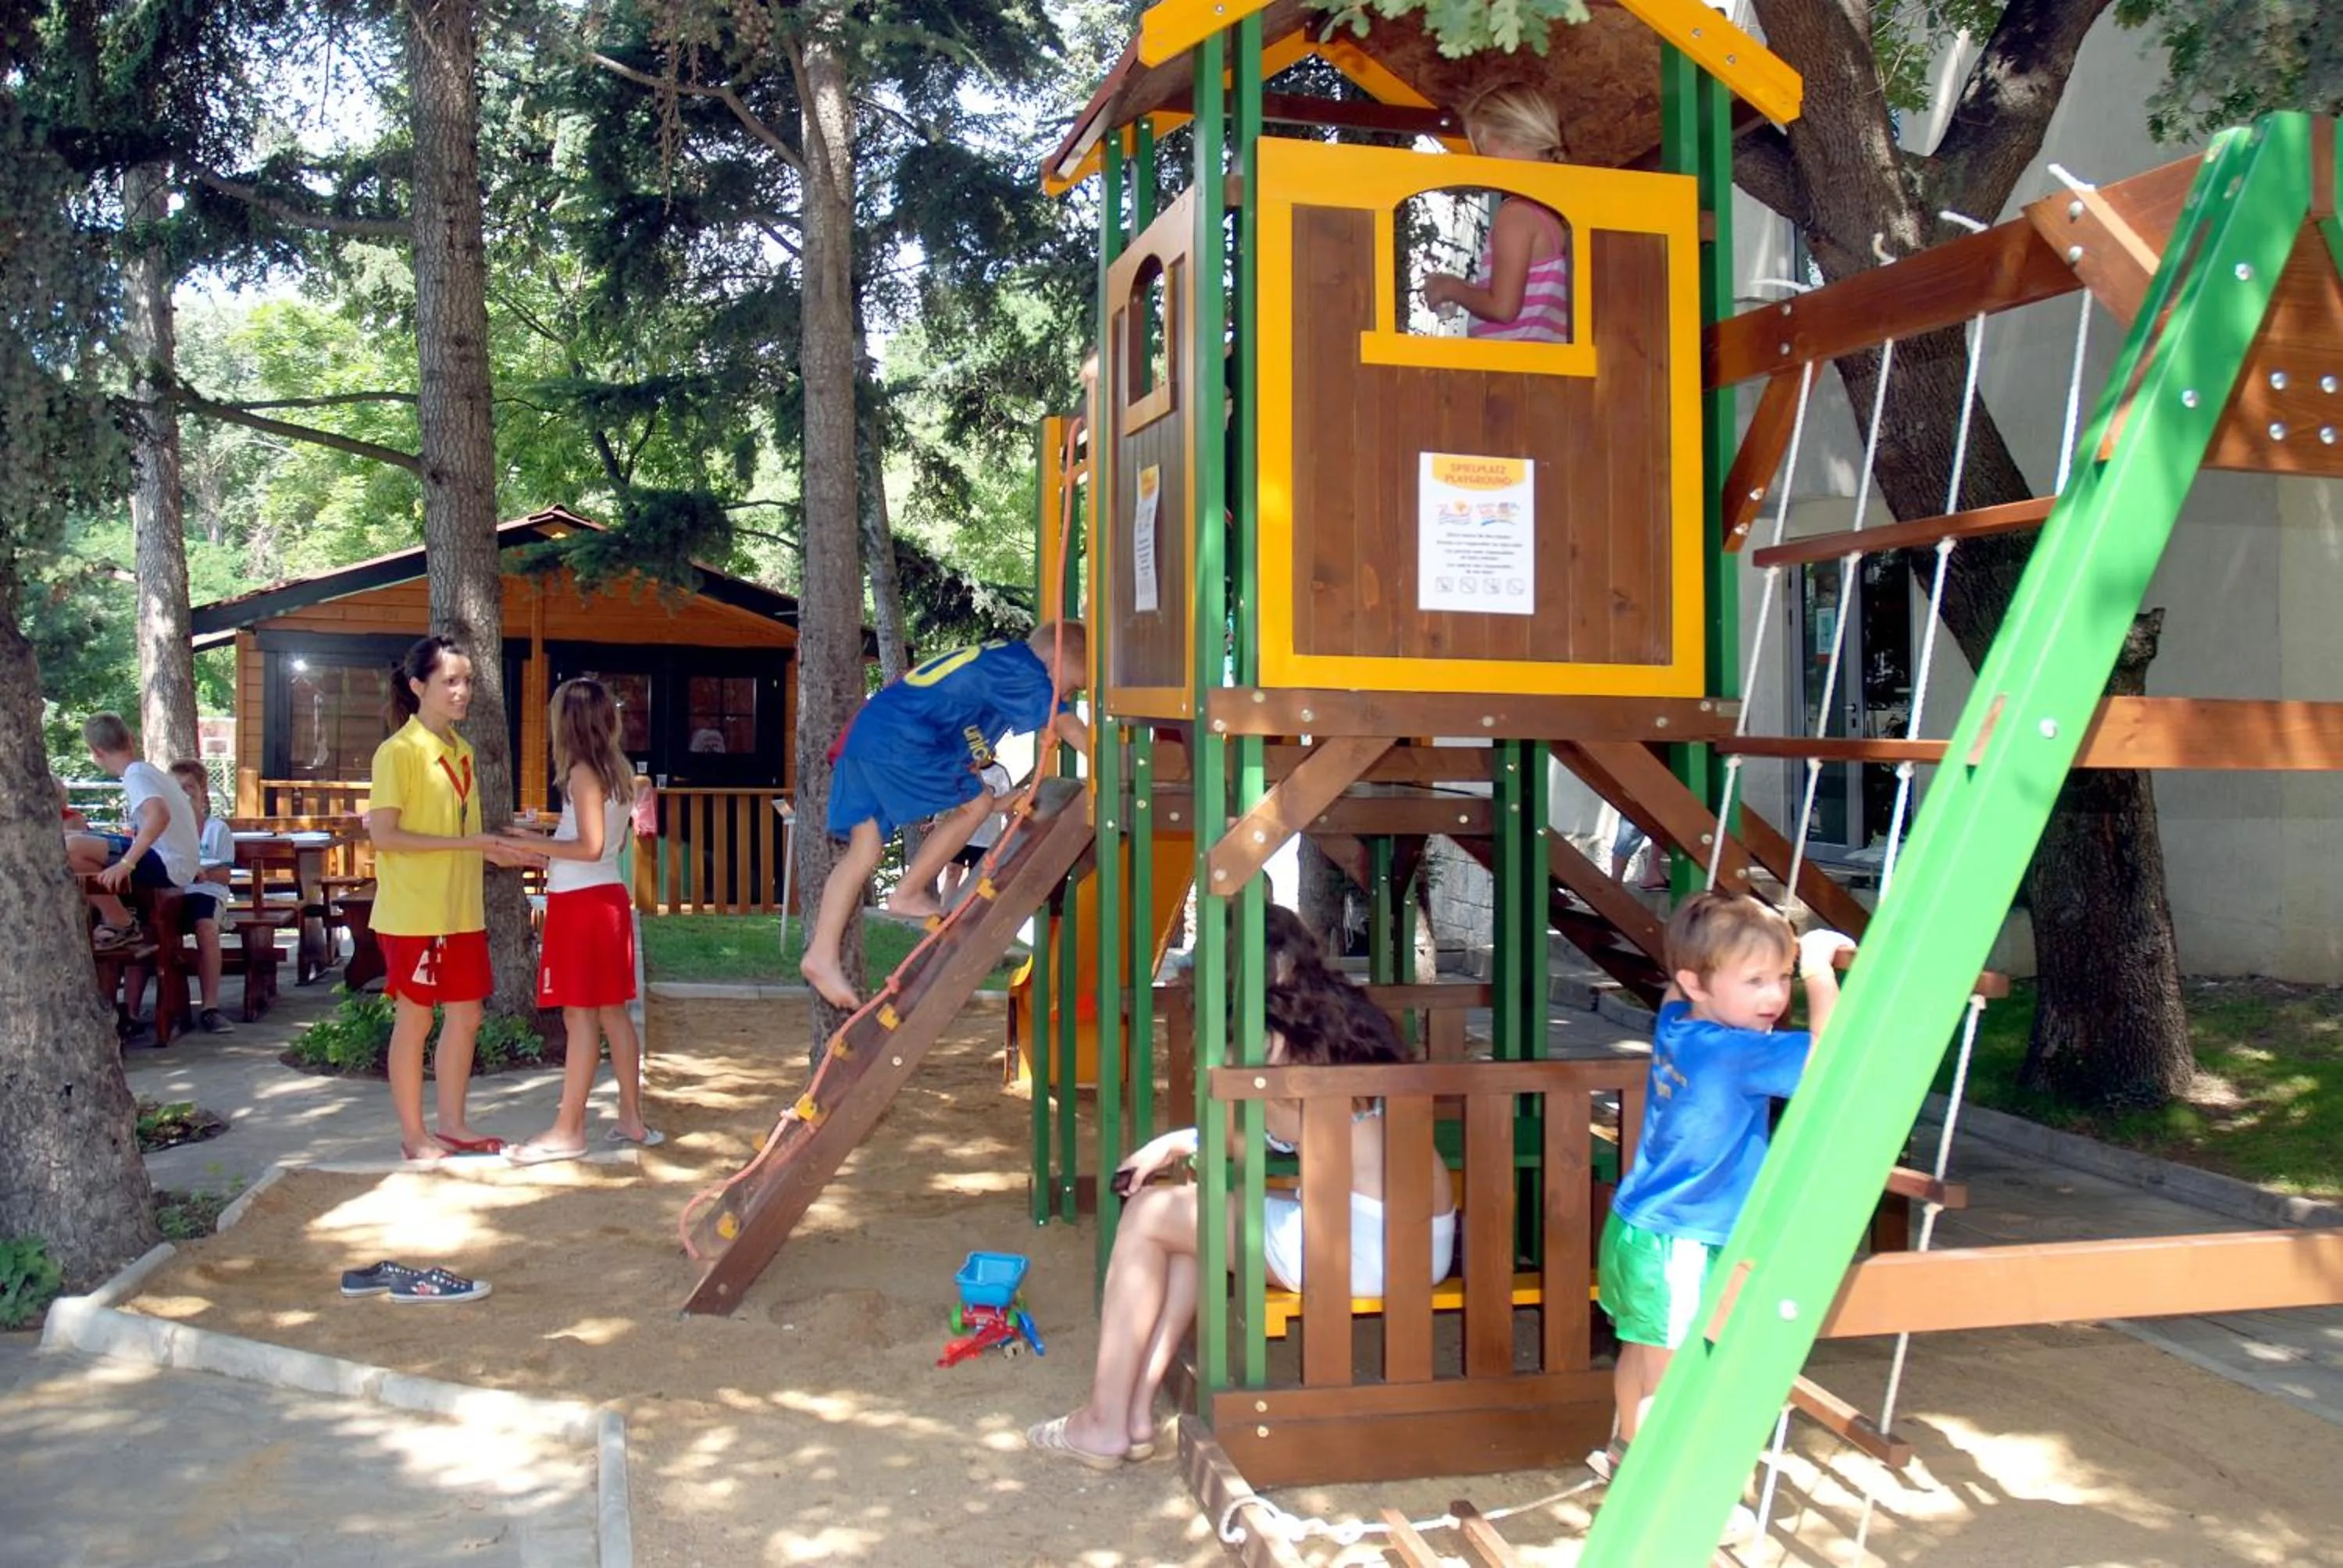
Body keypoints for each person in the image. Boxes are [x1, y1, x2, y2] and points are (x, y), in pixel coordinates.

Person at [1027, 907, 1456, 1470]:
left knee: (1153, 1214)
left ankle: (1105, 1421)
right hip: (1426, 1240)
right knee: (1190, 1227)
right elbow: (1290, 1136)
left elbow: (1239, 1147)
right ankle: (1131, 1413)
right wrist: (1174, 1146)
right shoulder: (1351, 1018)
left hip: (1357, 1250)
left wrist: (1182, 1140)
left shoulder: (1263, 1041)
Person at [1592, 892, 1854, 1481]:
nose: (1774, 997)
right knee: (1680, 1373)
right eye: (1755, 980)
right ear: (1698, 984)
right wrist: (1817, 972)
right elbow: (1833, 1059)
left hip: (1641, 1226)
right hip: (1681, 1239)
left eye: (1783, 977)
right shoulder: (1737, 1052)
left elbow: (1672, 988)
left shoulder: (1678, 1022)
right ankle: (1669, 1492)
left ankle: (1627, 1456)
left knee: (1644, 1348)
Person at [799, 622, 1091, 1009]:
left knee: (864, 850)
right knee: (977, 804)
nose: (1069, 696)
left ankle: (820, 954)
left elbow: (964, 766)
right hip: (899, 738)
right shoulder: (1023, 668)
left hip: (870, 736)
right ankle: (907, 893)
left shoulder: (996, 666)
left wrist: (1001, 801)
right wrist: (1109, 765)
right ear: (1054, 661)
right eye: (1073, 687)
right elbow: (1067, 723)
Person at [366, 634, 540, 1162]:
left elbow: (461, 839)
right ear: (419, 686)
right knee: (415, 1021)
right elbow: (385, 837)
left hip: (460, 912)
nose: (463, 692)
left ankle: (454, 1125)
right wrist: (473, 843)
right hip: (413, 914)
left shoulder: (461, 752)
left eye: (467, 681)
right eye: (451, 682)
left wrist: (510, 853)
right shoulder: (397, 753)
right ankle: (415, 1137)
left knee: (467, 1018)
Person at [499, 679, 659, 1164]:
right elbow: (598, 840)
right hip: (605, 898)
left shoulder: (584, 774)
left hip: (581, 903)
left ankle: (569, 1130)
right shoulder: (617, 771)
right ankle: (630, 1120)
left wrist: (529, 848)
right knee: (612, 1014)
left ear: (564, 723)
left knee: (580, 1016)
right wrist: (540, 837)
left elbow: (587, 847)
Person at [1420, 86, 1573, 342]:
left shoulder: (1516, 215)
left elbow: (1502, 308)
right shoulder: (1553, 216)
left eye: (1484, 150)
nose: (1482, 162)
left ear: (1513, 139)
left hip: (1509, 369)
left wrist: (1451, 288)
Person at [64, 714, 200, 955]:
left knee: (71, 846)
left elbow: (160, 815)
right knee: (71, 849)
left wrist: (126, 864)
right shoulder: (146, 772)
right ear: (130, 739)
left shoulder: (136, 775)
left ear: (96, 751)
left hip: (168, 863)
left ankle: (122, 923)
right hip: (170, 857)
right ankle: (117, 915)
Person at [167, 760, 237, 1033]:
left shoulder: (216, 829)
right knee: (147, 931)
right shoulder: (162, 826)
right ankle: (134, 1012)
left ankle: (210, 1007)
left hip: (205, 892)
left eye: (189, 787)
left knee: (206, 928)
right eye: (177, 788)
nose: (184, 794)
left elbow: (225, 874)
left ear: (202, 790)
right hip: (171, 893)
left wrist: (201, 873)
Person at [937, 761, 1014, 903]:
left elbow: (1008, 804)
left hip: (985, 837)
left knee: (978, 876)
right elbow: (948, 798)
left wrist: (1012, 826)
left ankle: (969, 910)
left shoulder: (999, 772)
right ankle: (944, 910)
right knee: (952, 871)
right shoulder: (962, 768)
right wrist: (939, 819)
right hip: (961, 832)